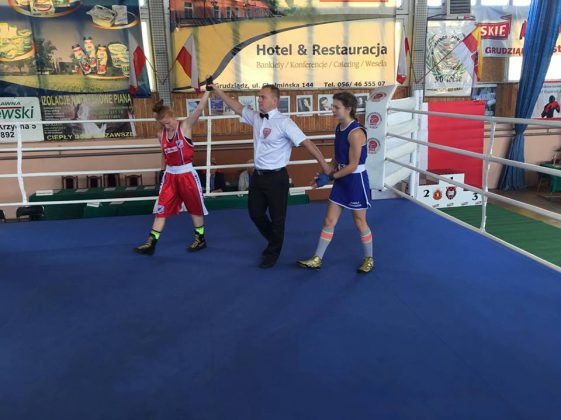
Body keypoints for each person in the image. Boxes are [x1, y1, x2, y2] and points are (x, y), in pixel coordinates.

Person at [211, 83, 331, 268]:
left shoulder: (284, 122)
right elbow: (236, 106)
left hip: (276, 178)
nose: (259, 100)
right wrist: (217, 90)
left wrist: (325, 166)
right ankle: (275, 240)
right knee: (255, 213)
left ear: (274, 101)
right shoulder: (256, 117)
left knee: (277, 218)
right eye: (259, 96)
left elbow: (307, 143)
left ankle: (273, 252)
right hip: (258, 176)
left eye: (263, 97)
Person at [297, 92, 374, 273]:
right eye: (332, 106)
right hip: (341, 178)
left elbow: (353, 165)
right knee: (329, 220)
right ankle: (317, 258)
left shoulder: (356, 133)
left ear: (348, 109)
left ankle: (369, 258)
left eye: (336, 107)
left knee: (359, 222)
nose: (332, 109)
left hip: (355, 181)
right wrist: (326, 173)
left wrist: (331, 177)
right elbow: (337, 157)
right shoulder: (339, 127)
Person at [134, 91, 211, 256]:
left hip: (186, 173)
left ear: (172, 116)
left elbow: (199, 109)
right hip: (170, 175)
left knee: (195, 207)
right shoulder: (160, 134)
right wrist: (162, 171)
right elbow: (164, 154)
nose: (167, 127)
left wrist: (208, 91)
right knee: (161, 208)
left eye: (168, 123)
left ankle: (200, 238)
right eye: (163, 125)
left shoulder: (185, 126)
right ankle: (151, 243)